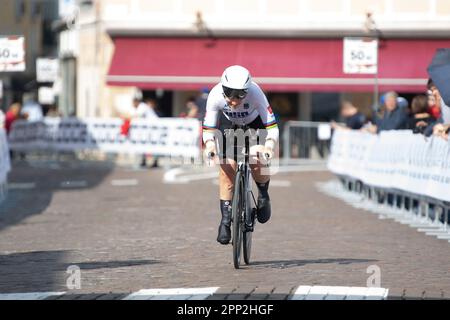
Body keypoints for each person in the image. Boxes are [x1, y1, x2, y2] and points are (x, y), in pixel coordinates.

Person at [203, 65, 278, 245]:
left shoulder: (256, 93)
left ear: (247, 91)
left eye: (240, 95)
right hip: (230, 126)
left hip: (255, 125)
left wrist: (268, 146)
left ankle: (263, 193)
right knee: (226, 167)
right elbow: (209, 128)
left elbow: (272, 127)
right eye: (229, 93)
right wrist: (210, 145)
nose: (235, 100)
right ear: (223, 88)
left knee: (255, 156)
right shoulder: (214, 95)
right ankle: (225, 221)